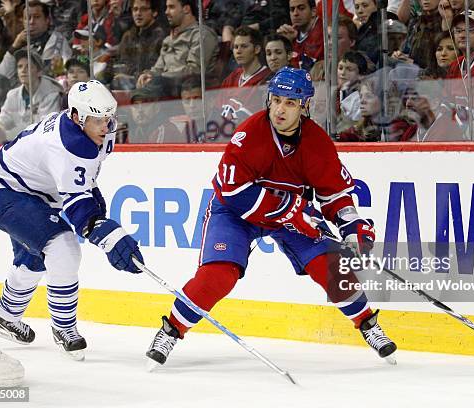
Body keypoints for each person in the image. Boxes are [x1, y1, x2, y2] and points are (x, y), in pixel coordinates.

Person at [144, 67, 397, 368]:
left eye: (290, 103)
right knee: (218, 276)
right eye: (276, 99)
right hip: (235, 213)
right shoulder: (249, 135)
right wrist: (293, 211)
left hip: (290, 215)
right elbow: (234, 192)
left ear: (304, 106)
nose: (280, 109)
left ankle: (367, 324)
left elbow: (335, 195)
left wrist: (353, 226)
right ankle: (171, 330)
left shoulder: (317, 143)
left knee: (332, 268)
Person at [0, 80, 145, 360]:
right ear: (78, 117)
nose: (107, 126)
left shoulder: (93, 131)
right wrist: (102, 232)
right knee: (63, 247)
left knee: (37, 254)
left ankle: (4, 315)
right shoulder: (66, 146)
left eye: (110, 117)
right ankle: (64, 328)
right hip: (4, 194)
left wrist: (98, 220)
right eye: (98, 120)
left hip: (33, 192)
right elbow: (78, 205)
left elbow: (86, 183)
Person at [0, 50, 63, 140]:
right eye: (20, 66)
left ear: (39, 71)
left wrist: (13, 131)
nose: (23, 70)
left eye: (28, 66)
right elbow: (1, 124)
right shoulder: (12, 95)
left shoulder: (52, 94)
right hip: (15, 143)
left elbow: (44, 129)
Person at [277, 0, 324, 71]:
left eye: (301, 8)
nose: (295, 13)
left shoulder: (324, 32)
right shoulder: (290, 33)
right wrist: (285, 43)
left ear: (313, 11)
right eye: (292, 9)